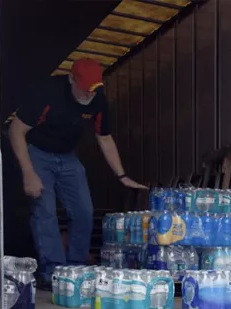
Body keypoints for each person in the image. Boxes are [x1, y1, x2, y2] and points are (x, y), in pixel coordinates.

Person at [9, 58, 147, 289]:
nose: (87, 97)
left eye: (92, 92)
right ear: (71, 79)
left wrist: (122, 176)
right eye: (83, 92)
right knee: (45, 212)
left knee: (84, 211)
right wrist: (28, 172)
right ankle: (52, 273)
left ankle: (75, 270)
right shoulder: (48, 92)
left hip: (67, 156)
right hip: (37, 152)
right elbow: (16, 130)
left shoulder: (97, 99)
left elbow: (104, 137)